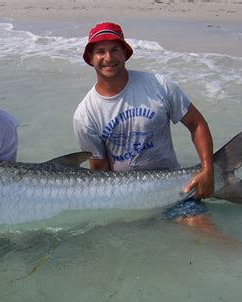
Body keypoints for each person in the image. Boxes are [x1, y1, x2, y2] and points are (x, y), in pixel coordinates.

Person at [73, 22, 214, 201]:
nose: (108, 57)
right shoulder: (85, 114)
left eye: (115, 50)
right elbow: (100, 171)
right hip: (126, 198)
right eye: (100, 51)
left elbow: (197, 124)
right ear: (90, 58)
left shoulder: (159, 85)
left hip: (175, 191)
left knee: (205, 228)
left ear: (125, 53)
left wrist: (208, 169)